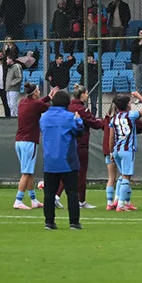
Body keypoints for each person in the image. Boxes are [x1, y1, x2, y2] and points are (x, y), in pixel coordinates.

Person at [40, 90, 84, 230]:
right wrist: (78, 119)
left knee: (49, 193)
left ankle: (49, 222)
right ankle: (74, 222)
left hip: (49, 161)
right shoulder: (69, 117)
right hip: (67, 160)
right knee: (72, 192)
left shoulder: (44, 117)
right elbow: (79, 132)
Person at [13, 83, 56, 210]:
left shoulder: (22, 102)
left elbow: (37, 104)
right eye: (38, 90)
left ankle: (33, 200)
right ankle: (18, 200)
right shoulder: (36, 104)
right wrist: (53, 99)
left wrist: (48, 97)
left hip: (19, 141)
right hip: (29, 141)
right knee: (26, 173)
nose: (39, 92)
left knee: (29, 171)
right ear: (34, 93)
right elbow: (48, 108)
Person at [109, 91, 142, 212]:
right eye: (129, 103)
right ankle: (121, 205)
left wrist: (111, 152)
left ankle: (117, 200)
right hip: (127, 150)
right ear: (127, 105)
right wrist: (139, 96)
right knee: (126, 177)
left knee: (122, 176)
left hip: (116, 150)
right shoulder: (131, 116)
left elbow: (111, 138)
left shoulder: (113, 119)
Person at [63, 85, 105, 210]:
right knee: (81, 173)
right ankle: (81, 200)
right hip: (80, 143)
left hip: (68, 143)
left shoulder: (68, 107)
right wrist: (106, 122)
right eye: (86, 93)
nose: (87, 95)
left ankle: (56, 196)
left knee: (67, 171)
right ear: (82, 95)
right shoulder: (82, 109)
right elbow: (94, 123)